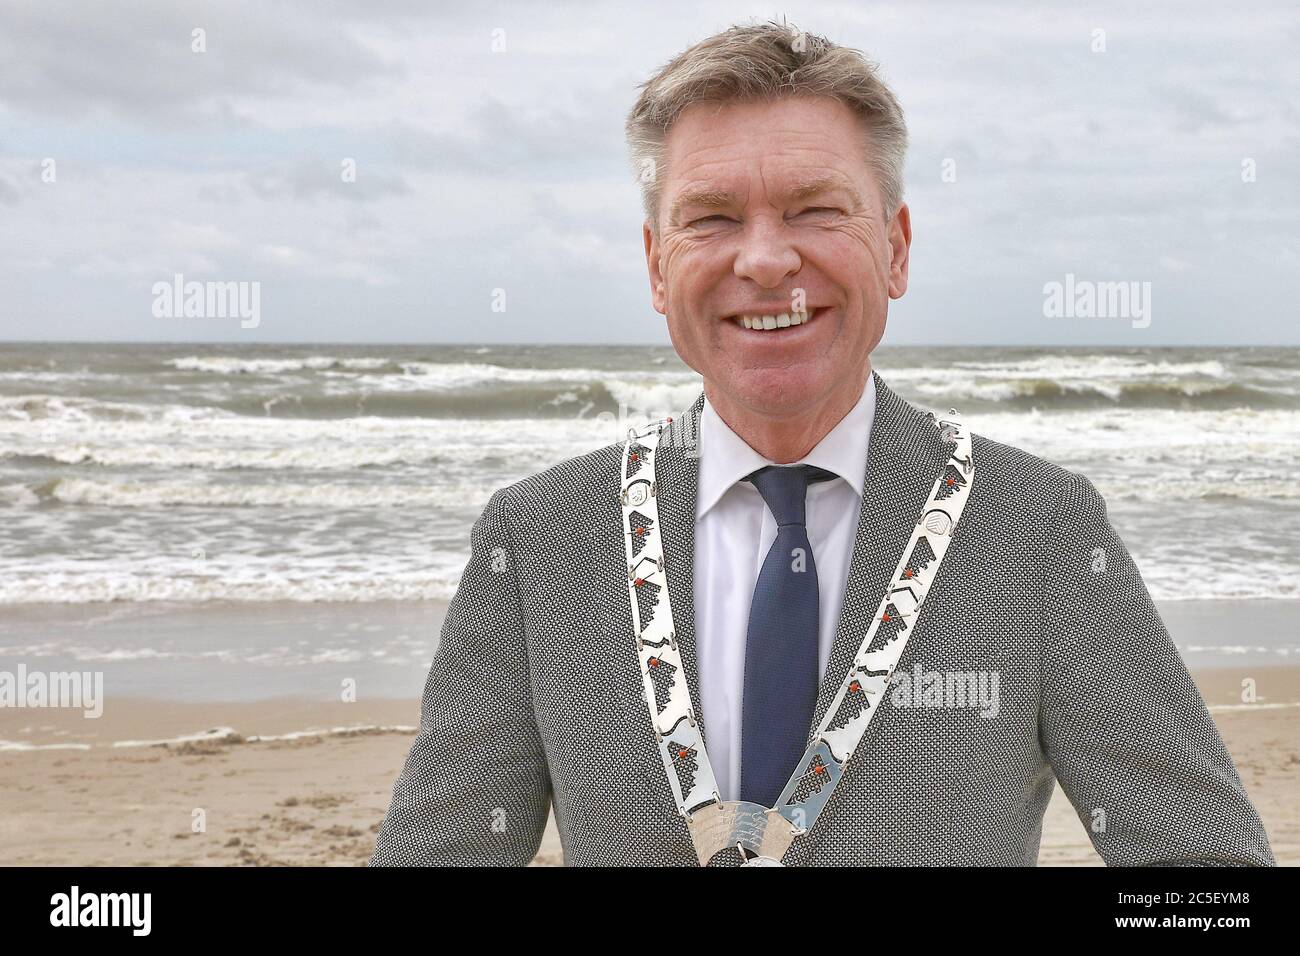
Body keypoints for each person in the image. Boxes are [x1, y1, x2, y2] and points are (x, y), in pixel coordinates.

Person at [370, 20, 1273, 866]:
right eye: (712, 217)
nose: (763, 259)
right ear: (656, 265)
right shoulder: (540, 539)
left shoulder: (1038, 529)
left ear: (896, 248)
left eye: (814, 209)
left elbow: (1207, 877)